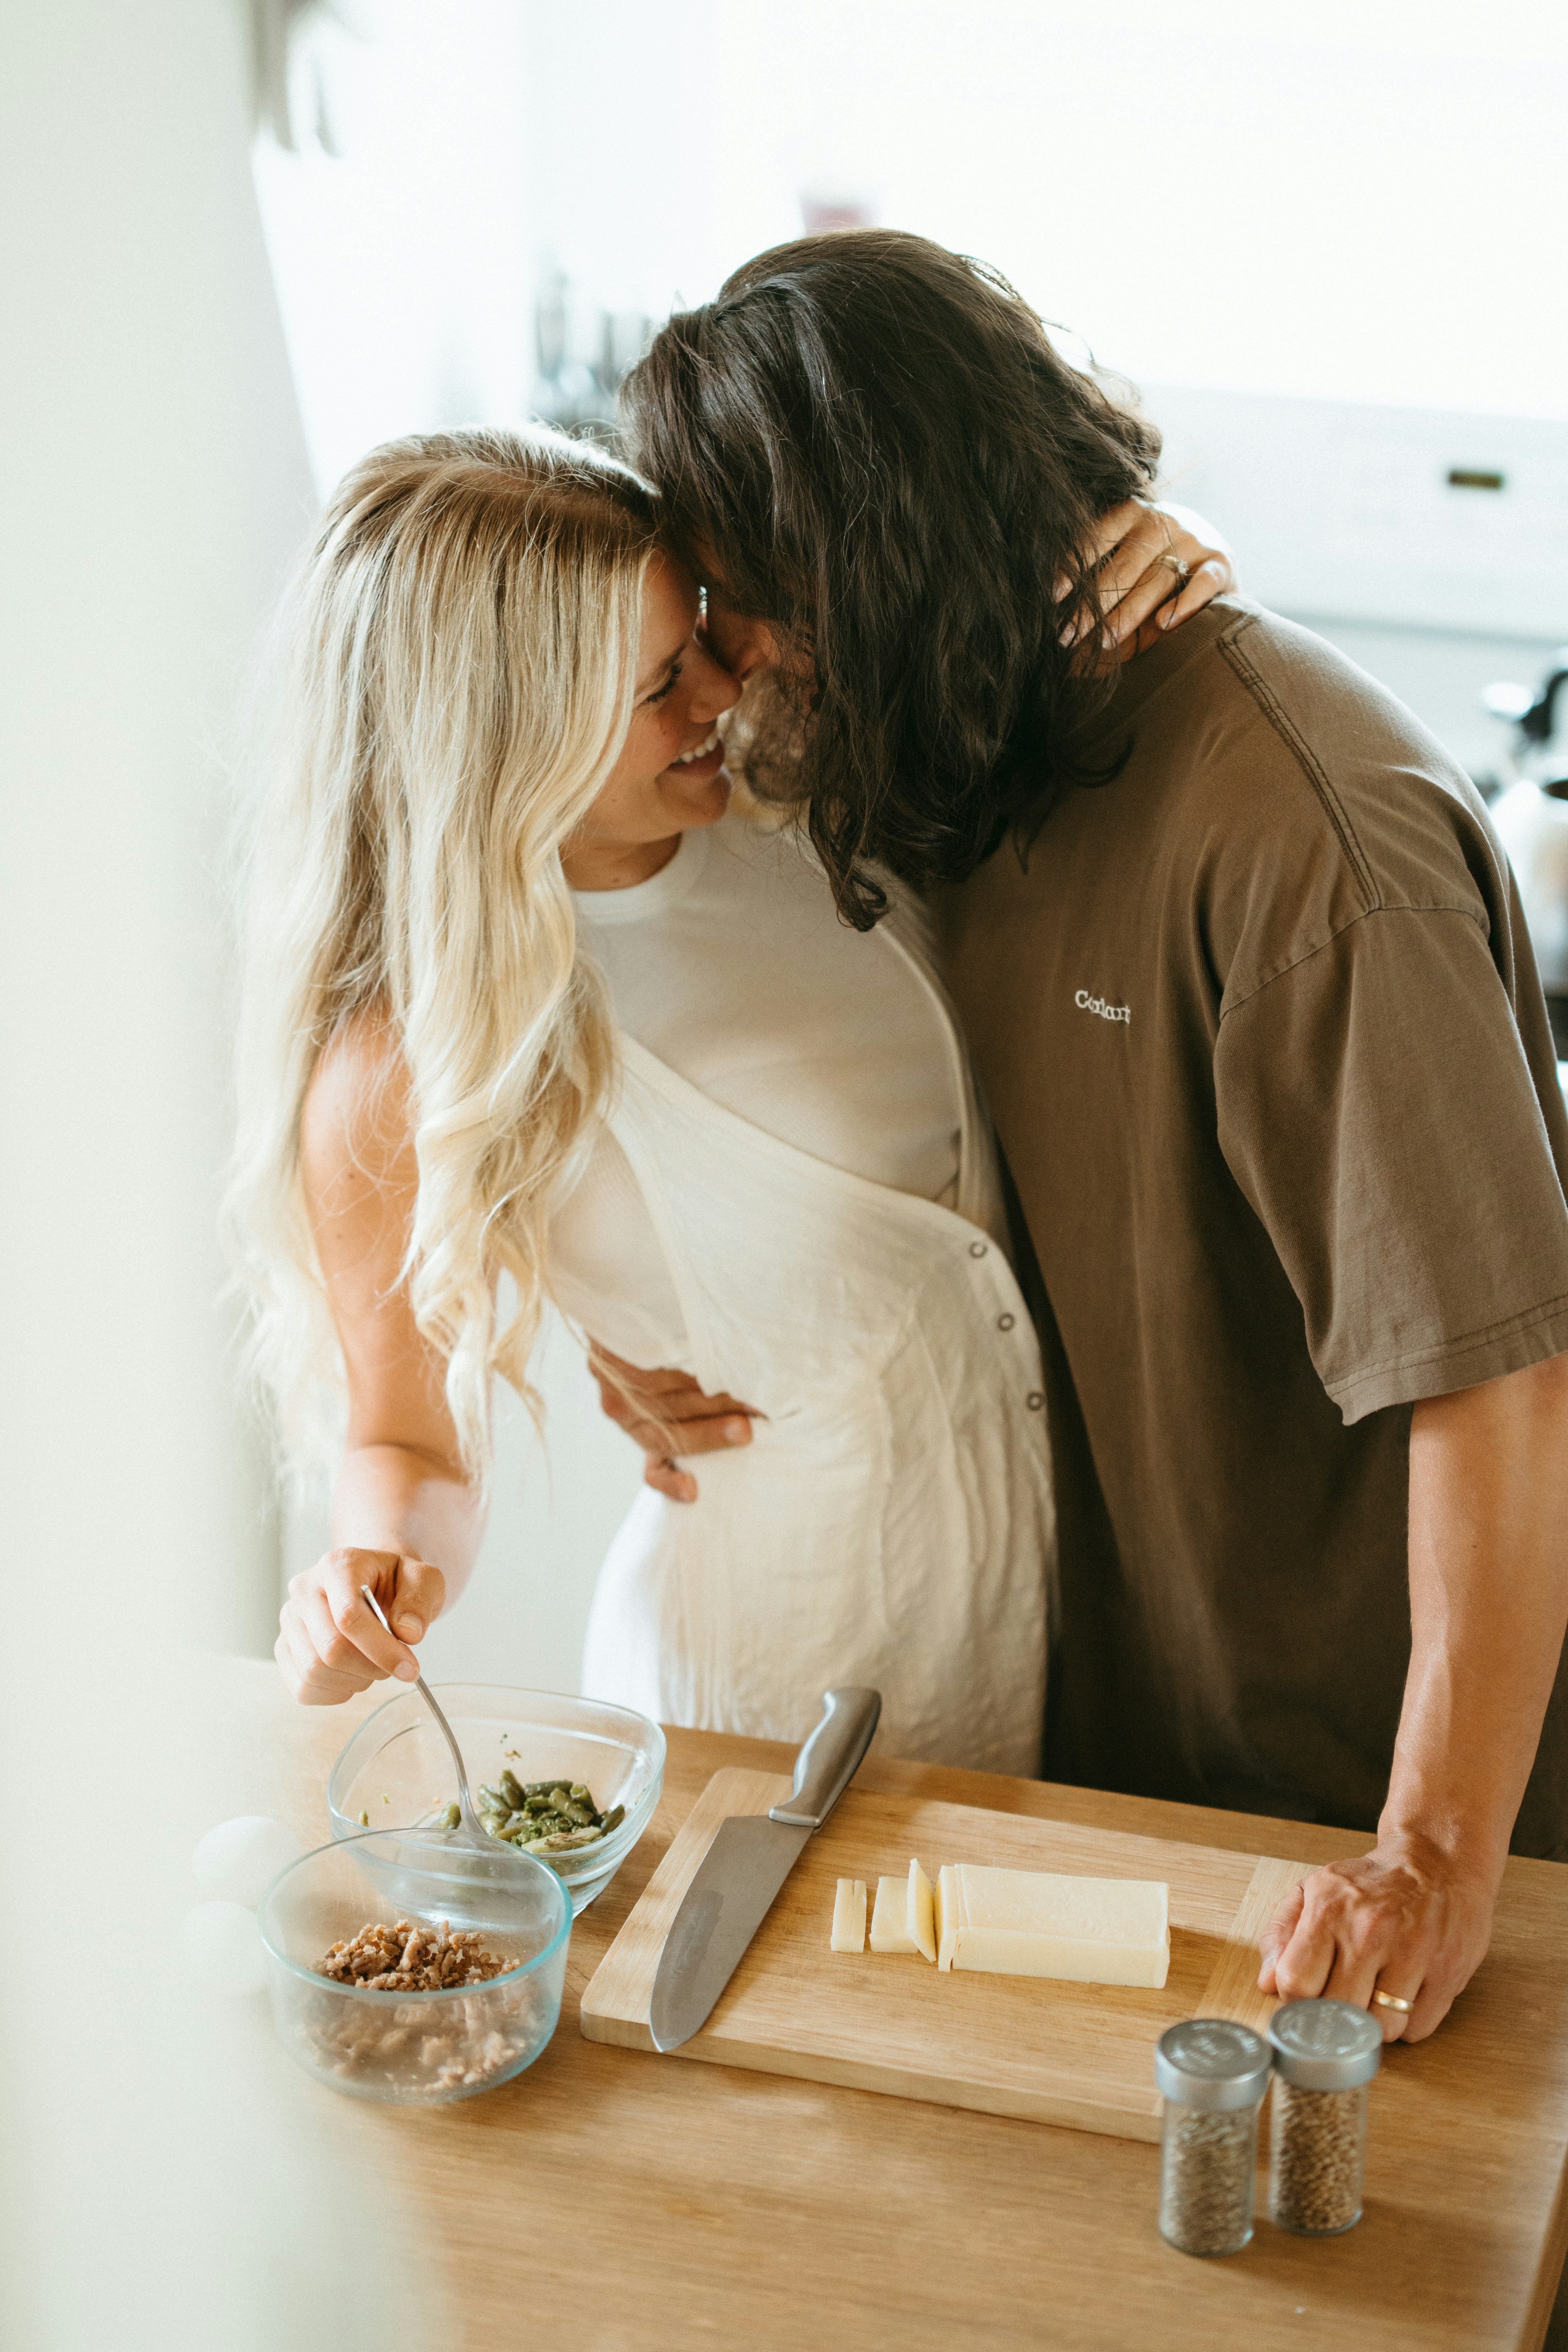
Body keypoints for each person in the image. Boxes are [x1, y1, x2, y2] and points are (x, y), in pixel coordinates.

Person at [610, 228, 1568, 2042]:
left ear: (874, 568)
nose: (725, 675)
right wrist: (616, 1325)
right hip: (1126, 1736)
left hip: (1377, 1800)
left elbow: (1504, 1378)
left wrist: (1432, 1850)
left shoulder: (1315, 858)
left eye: (746, 607)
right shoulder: (950, 755)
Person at [229, 421, 1232, 1770]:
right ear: (512, 733)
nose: (720, 688)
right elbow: (407, 1440)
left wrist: (1159, 577)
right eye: (656, 684)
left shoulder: (796, 795)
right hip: (776, 1673)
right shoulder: (409, 1066)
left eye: (696, 636)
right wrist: (371, 1578)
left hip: (1043, 1599)